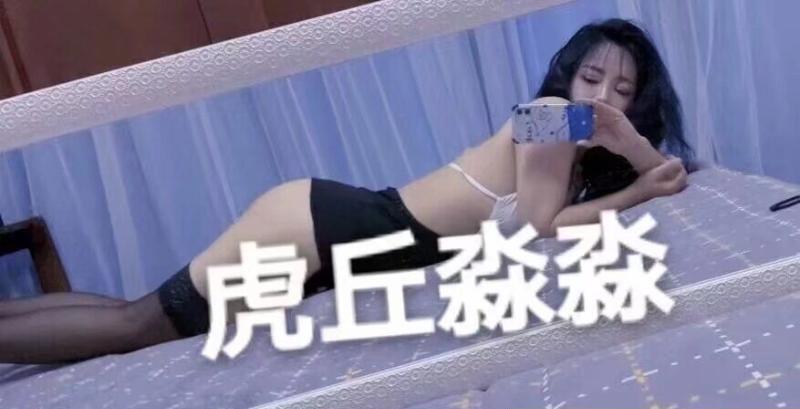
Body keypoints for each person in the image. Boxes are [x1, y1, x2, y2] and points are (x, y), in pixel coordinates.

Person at [0, 18, 691, 364]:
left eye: (622, 89)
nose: (602, 97)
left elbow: (663, 171)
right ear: (568, 76)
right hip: (317, 228)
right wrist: (636, 189)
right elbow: (542, 225)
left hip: (332, 235)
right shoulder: (551, 118)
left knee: (146, 311)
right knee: (140, 327)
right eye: (592, 78)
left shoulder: (578, 142)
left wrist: (635, 155)